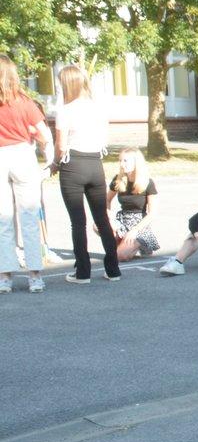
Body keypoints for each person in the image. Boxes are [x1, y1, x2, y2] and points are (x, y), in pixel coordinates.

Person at [51, 64, 119, 284]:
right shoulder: (97, 107)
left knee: (78, 221)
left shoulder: (65, 110)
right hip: (95, 163)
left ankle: (82, 271)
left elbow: (61, 145)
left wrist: (54, 163)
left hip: (73, 164)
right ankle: (113, 269)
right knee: (102, 218)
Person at [0, 55, 51, 293]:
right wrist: (47, 157)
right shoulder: (25, 102)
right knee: (29, 215)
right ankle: (34, 275)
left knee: (3, 219)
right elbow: (44, 135)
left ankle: (5, 277)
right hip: (22, 154)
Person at [107, 148, 161, 262]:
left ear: (136, 162)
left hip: (139, 224)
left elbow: (152, 213)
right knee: (98, 225)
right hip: (122, 219)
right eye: (120, 160)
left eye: (125, 161)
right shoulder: (118, 180)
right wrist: (110, 219)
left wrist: (134, 230)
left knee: (119, 256)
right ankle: (122, 244)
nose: (122, 164)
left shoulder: (147, 182)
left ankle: (141, 245)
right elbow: (106, 201)